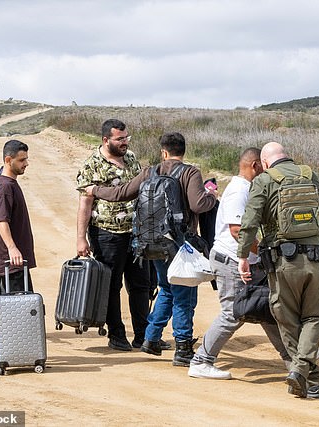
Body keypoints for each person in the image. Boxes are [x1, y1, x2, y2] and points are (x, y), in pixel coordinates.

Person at [86, 132, 218, 366]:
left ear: (163, 152)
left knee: (167, 288)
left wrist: (95, 190)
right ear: (182, 151)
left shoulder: (150, 171)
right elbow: (198, 204)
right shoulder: (190, 173)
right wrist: (211, 196)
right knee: (184, 297)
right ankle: (184, 348)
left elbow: (121, 194)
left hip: (151, 243)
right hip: (179, 244)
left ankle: (151, 338)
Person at [237, 142, 319, 399]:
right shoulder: (312, 176)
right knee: (314, 317)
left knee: (287, 318)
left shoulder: (265, 180)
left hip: (283, 263)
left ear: (265, 163)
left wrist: (243, 256)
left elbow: (250, 221)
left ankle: (302, 372)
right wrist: (317, 247)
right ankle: (310, 381)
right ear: (287, 156)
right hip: (314, 261)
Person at [188, 148, 291, 379]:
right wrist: (264, 251)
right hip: (231, 261)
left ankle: (292, 359)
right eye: (266, 167)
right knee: (233, 313)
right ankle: (201, 361)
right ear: (256, 165)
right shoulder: (239, 191)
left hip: (242, 261)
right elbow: (237, 231)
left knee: (265, 310)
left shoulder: (246, 189)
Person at [76, 119, 154, 352]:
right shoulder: (92, 164)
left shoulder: (131, 158)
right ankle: (117, 334)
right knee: (111, 286)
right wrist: (81, 238)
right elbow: (85, 203)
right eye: (119, 139)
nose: (124, 142)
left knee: (141, 285)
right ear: (105, 140)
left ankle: (143, 335)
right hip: (107, 234)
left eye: (126, 137)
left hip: (136, 233)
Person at [0, 139, 36, 296]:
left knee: (24, 308)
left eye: (26, 159)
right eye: (22, 160)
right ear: (8, 160)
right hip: (12, 263)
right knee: (19, 311)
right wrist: (12, 248)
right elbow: (1, 220)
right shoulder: (4, 187)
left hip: (17, 262)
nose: (26, 163)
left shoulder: (9, 183)